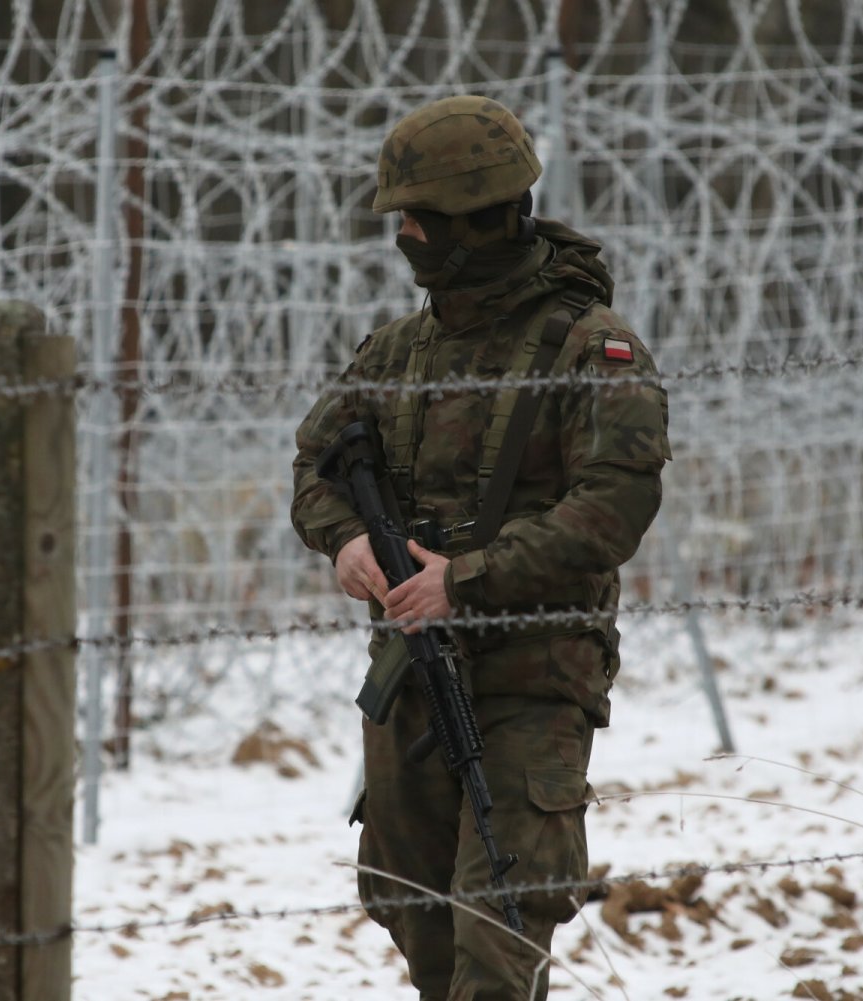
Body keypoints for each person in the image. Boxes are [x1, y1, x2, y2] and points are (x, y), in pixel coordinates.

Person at [290, 94, 671, 998]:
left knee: (500, 923)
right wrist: (346, 543)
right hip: (412, 670)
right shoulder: (396, 352)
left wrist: (464, 581)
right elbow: (316, 467)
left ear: (471, 224)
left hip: (535, 675)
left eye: (417, 218)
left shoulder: (589, 348)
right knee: (411, 902)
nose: (405, 233)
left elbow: (614, 506)